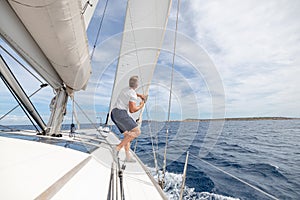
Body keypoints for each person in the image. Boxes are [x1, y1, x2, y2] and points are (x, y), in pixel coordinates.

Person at [111, 76, 146, 162]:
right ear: (137, 85)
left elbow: (132, 93)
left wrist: (139, 95)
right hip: (120, 113)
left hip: (113, 114)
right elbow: (132, 110)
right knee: (137, 132)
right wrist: (141, 105)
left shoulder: (125, 89)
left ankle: (128, 157)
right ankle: (117, 148)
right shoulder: (132, 94)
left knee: (127, 136)